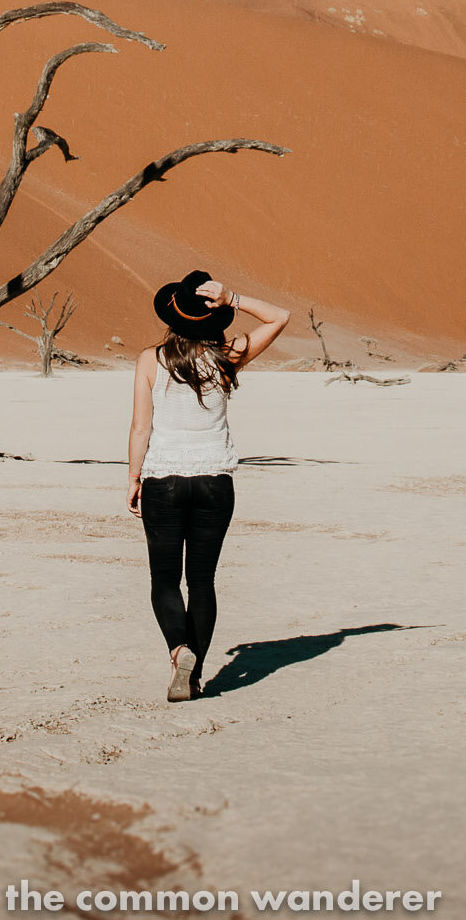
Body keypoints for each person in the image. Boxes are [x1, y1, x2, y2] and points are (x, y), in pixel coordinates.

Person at [127, 270, 290, 702]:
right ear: (211, 316)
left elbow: (141, 427)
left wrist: (132, 477)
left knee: (165, 580)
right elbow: (280, 317)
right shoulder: (228, 355)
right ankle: (194, 675)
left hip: (164, 481)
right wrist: (233, 297)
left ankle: (179, 650)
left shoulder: (151, 359)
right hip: (215, 483)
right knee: (202, 581)